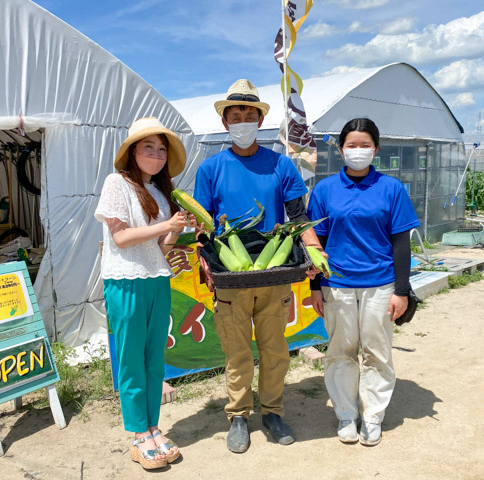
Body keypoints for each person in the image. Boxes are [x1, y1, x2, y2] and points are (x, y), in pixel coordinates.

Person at [193, 79, 323, 453]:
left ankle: (272, 411)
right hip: (230, 273)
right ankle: (237, 415)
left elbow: (299, 217)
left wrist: (313, 254)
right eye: (236, 115)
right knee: (236, 353)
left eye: (250, 114)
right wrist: (203, 260)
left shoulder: (281, 165)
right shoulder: (210, 168)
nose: (243, 121)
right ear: (225, 123)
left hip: (274, 269)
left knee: (275, 349)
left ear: (260, 119)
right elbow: (203, 224)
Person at [307, 117, 420, 447]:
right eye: (351, 145)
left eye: (365, 145)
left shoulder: (391, 188)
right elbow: (317, 243)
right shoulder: (325, 189)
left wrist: (401, 290)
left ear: (376, 149)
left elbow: (401, 243)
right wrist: (315, 288)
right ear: (341, 149)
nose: (358, 151)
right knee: (340, 351)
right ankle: (345, 413)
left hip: (380, 284)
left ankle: (372, 415)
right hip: (336, 285)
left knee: (377, 352)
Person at [95, 117, 194, 470]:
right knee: (132, 358)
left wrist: (176, 229)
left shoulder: (161, 193)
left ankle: (154, 426)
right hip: (124, 280)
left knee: (155, 358)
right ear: (132, 152)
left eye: (161, 149)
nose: (155, 154)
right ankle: (138, 434)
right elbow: (120, 238)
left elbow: (161, 248)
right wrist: (165, 225)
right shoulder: (116, 183)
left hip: (157, 278)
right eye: (148, 147)